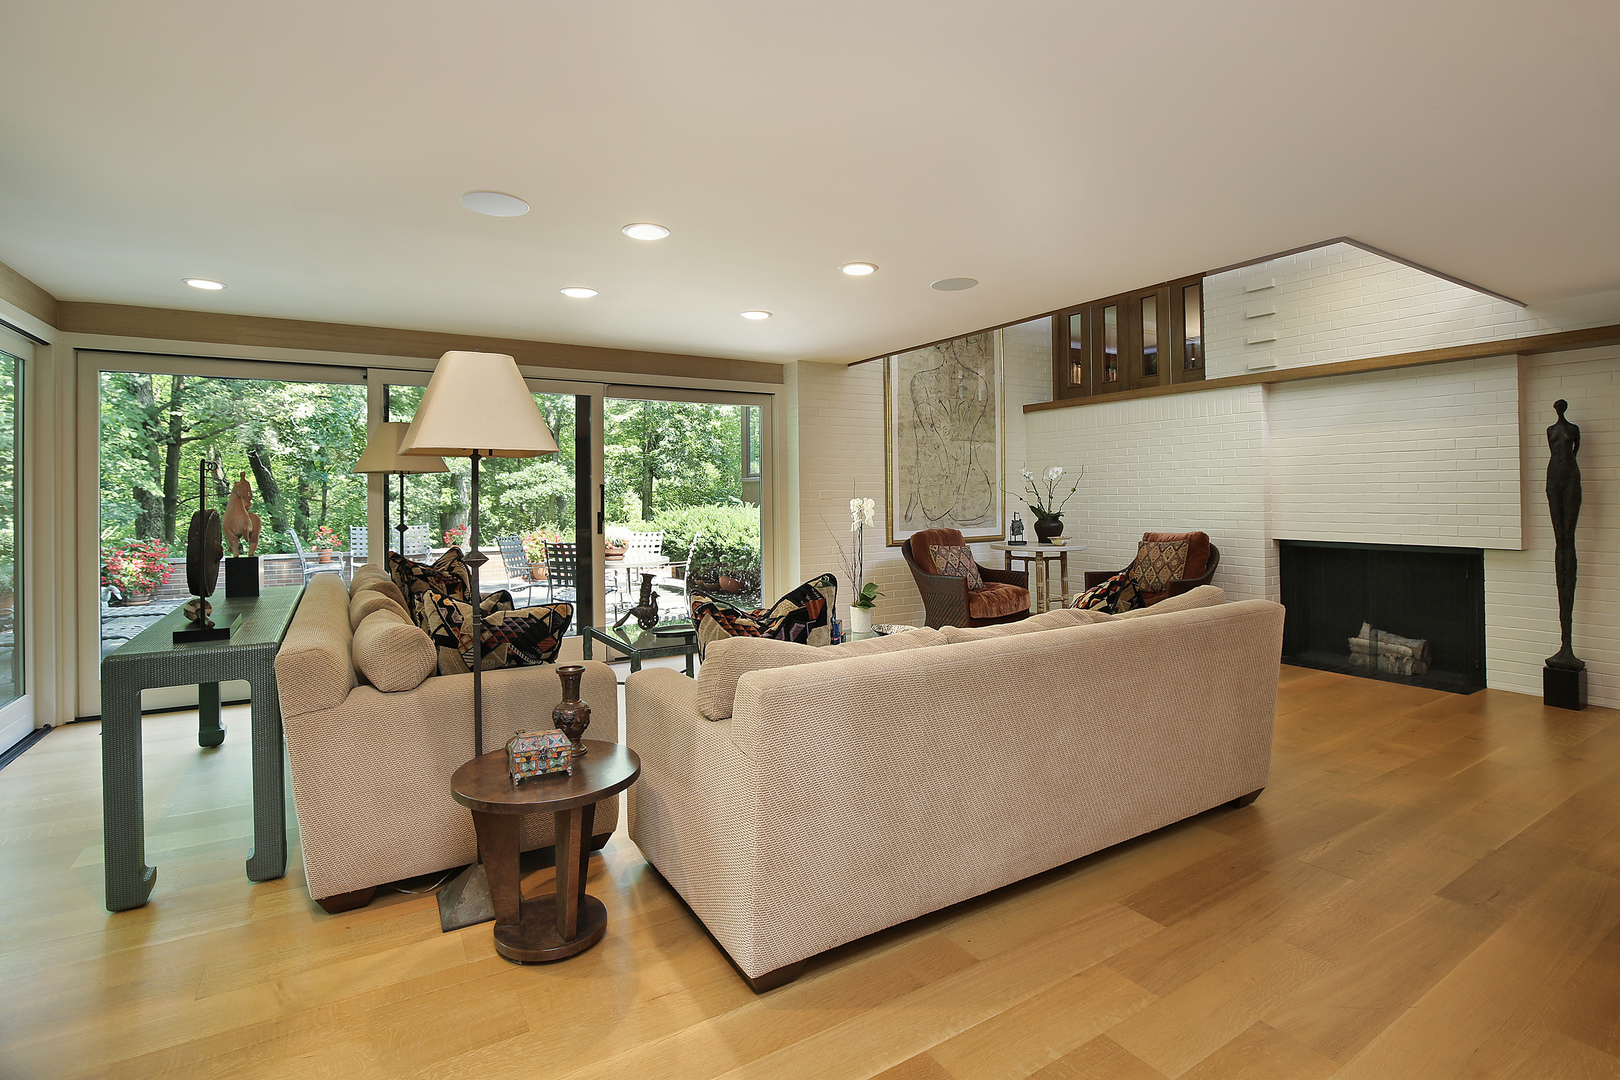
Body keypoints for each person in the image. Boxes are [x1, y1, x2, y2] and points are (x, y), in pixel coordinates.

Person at [1545, 399, 1583, 670]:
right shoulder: (1550, 430)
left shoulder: (1573, 429)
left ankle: (1567, 645)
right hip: (1553, 477)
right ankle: (1564, 644)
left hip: (1570, 477)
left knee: (1567, 541)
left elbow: (1576, 451)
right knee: (1561, 542)